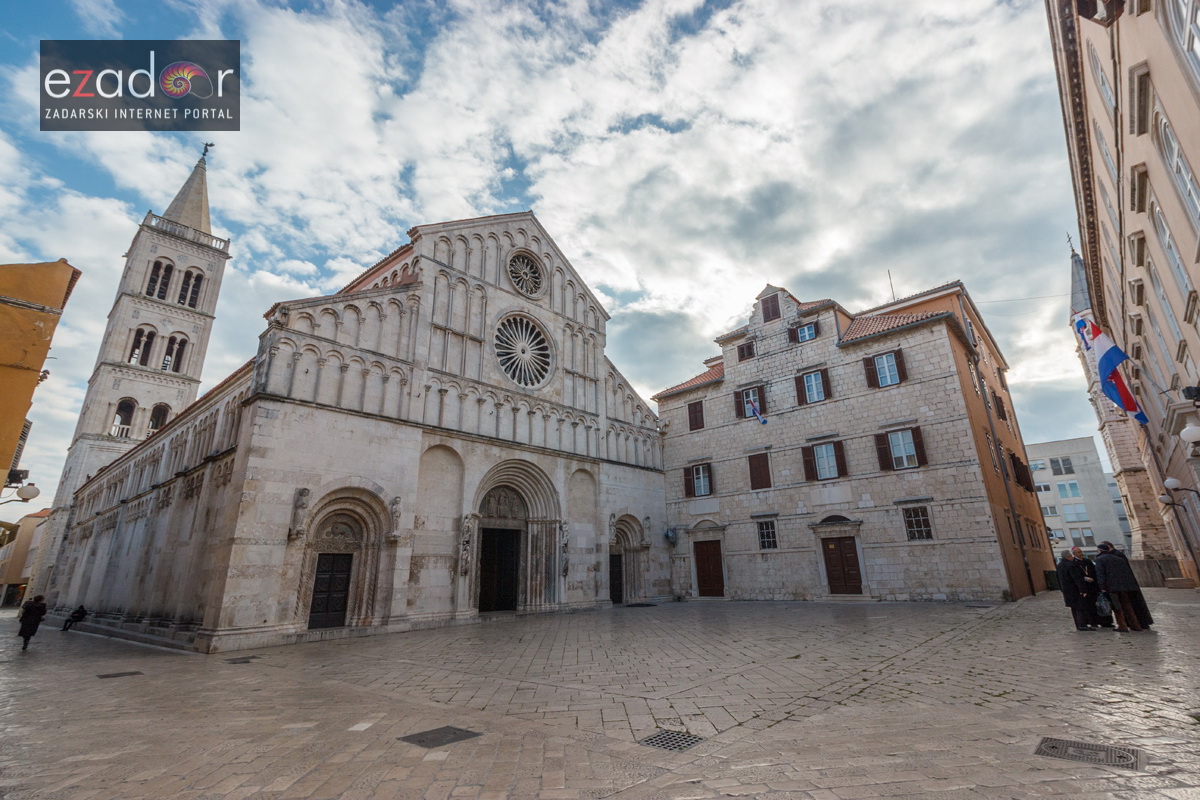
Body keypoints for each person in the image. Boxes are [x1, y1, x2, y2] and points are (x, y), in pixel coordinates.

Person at [1099, 541, 1154, 630]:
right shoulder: (1118, 556)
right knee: (1127, 605)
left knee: (1122, 606)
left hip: (1119, 586)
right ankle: (1135, 624)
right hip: (1126, 585)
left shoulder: (1115, 556)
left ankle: (1127, 625)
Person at [1071, 546, 1114, 628]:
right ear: (1074, 554)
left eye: (1081, 552)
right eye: (1079, 552)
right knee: (1089, 606)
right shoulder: (1074, 563)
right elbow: (1075, 576)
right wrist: (1084, 578)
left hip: (1093, 586)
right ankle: (1092, 622)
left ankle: (1104, 622)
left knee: (1098, 604)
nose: (1081, 553)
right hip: (1085, 587)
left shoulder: (1087, 561)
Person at [1055, 549, 1093, 631]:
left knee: (1074, 608)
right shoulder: (1071, 565)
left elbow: (1058, 579)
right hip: (1075, 590)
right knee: (1080, 608)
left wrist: (1062, 589)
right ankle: (1082, 625)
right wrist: (1083, 590)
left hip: (1066, 590)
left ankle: (1078, 625)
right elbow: (1077, 579)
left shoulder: (1059, 565)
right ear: (1068, 557)